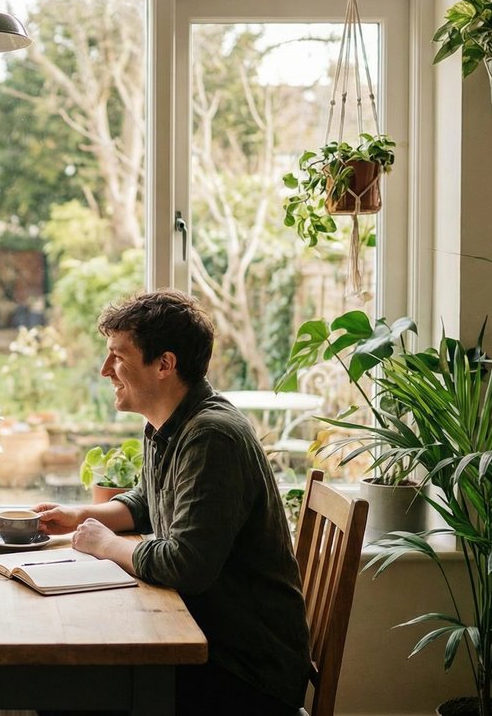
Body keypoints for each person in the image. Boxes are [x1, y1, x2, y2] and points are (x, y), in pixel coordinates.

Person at [34, 289, 310, 716]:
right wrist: (78, 516)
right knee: (68, 677)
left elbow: (187, 564)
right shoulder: (168, 425)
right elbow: (147, 500)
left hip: (245, 674)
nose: (106, 369)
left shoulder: (211, 436)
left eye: (118, 357)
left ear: (165, 364)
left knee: (67, 689)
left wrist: (107, 545)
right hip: (209, 644)